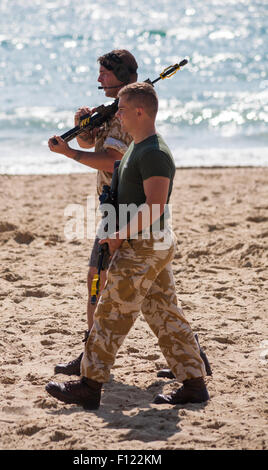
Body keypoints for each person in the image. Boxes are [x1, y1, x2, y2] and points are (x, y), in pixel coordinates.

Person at [45, 82, 210, 409]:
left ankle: (89, 386)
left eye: (121, 109)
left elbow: (155, 205)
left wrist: (120, 235)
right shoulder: (137, 145)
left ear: (139, 112)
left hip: (144, 244)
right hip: (148, 242)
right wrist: (76, 145)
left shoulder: (154, 153)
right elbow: (116, 172)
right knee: (164, 312)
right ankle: (194, 383)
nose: (116, 113)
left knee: (110, 313)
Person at [49, 49, 138, 374]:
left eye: (105, 74)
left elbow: (112, 160)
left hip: (123, 207)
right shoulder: (116, 109)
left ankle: (92, 354)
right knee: (152, 290)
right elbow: (95, 145)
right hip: (117, 205)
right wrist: (82, 126)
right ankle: (192, 355)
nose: (99, 79)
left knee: (96, 277)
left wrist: (69, 153)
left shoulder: (126, 113)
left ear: (122, 76)